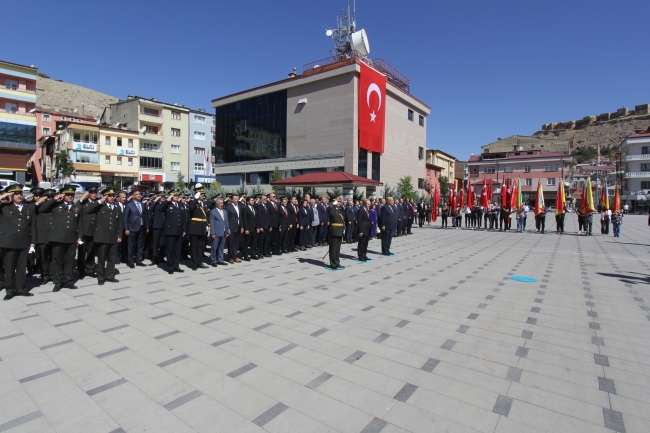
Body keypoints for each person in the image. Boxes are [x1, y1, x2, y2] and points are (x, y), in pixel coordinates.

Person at [39, 185, 83, 292]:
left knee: (69, 261)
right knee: (57, 261)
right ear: (63, 195)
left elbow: (80, 223)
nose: (70, 196)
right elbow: (42, 209)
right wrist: (54, 199)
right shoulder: (56, 205)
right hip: (57, 237)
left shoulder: (76, 207)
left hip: (71, 238)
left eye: (71, 195)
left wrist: (80, 236)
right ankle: (58, 281)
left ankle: (68, 280)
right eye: (67, 195)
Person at [0, 184, 36, 300]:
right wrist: (4, 196)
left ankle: (21, 288)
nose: (18, 195)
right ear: (10, 195)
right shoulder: (4, 207)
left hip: (24, 241)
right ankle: (10, 290)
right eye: (15, 193)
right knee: (9, 268)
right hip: (9, 241)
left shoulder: (28, 207)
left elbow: (33, 225)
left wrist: (33, 242)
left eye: (20, 193)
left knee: (21, 267)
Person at [86, 188, 122, 285]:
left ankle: (109, 275)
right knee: (101, 258)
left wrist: (120, 235)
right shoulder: (99, 206)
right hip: (102, 236)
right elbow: (88, 210)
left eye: (112, 196)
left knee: (112, 257)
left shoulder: (116, 207)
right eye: (109, 196)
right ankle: (101, 276)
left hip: (113, 236)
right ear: (105, 197)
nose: (111, 198)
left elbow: (120, 223)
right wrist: (99, 201)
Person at [157, 190, 187, 274]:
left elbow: (183, 218)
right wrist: (167, 200)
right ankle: (170, 266)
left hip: (179, 230)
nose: (177, 197)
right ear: (171, 196)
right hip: (170, 230)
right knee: (170, 249)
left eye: (177, 195)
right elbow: (159, 208)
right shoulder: (167, 204)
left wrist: (184, 229)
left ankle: (176, 265)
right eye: (175, 195)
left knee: (177, 249)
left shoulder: (181, 205)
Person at [123, 190, 149, 268]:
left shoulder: (143, 205)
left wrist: (147, 226)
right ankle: (130, 261)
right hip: (132, 227)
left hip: (142, 227)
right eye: (136, 194)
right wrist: (126, 228)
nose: (138, 195)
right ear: (133, 196)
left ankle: (139, 260)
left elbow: (145, 217)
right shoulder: (129, 205)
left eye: (139, 194)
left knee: (141, 245)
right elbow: (125, 218)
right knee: (131, 245)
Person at [187, 185, 209, 270]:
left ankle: (199, 262)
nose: (202, 195)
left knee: (201, 246)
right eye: (201, 194)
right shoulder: (193, 202)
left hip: (202, 227)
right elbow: (191, 208)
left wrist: (207, 225)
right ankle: (194, 264)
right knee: (194, 247)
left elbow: (206, 214)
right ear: (197, 194)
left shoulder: (203, 203)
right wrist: (195, 198)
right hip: (195, 227)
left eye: (203, 194)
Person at [209, 197, 229, 267]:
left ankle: (220, 259)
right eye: (220, 203)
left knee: (221, 247)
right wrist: (212, 233)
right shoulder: (213, 211)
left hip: (223, 232)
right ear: (217, 204)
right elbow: (212, 223)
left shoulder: (224, 211)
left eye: (222, 203)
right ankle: (213, 260)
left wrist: (227, 230)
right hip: (216, 232)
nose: (222, 204)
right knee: (214, 247)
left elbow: (226, 222)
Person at [327, 200, 345, 269]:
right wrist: (334, 205)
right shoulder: (331, 208)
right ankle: (333, 263)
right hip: (334, 231)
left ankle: (337, 262)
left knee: (337, 249)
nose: (339, 203)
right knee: (333, 249)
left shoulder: (339, 210)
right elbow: (331, 214)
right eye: (338, 202)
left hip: (339, 230)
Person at [225, 194, 243, 263]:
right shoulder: (228, 206)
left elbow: (240, 217)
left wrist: (241, 226)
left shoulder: (239, 206)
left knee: (236, 242)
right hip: (231, 227)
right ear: (231, 199)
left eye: (237, 199)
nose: (237, 200)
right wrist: (228, 228)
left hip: (238, 226)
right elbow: (226, 218)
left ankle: (235, 256)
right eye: (235, 199)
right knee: (230, 243)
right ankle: (230, 257)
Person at [241, 195, 259, 260]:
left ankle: (253, 254)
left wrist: (258, 227)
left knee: (254, 242)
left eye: (253, 200)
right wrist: (246, 229)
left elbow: (256, 219)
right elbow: (244, 220)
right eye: (251, 200)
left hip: (254, 228)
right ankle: (245, 255)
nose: (253, 201)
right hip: (248, 228)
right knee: (247, 242)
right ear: (248, 202)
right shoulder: (245, 209)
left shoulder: (254, 208)